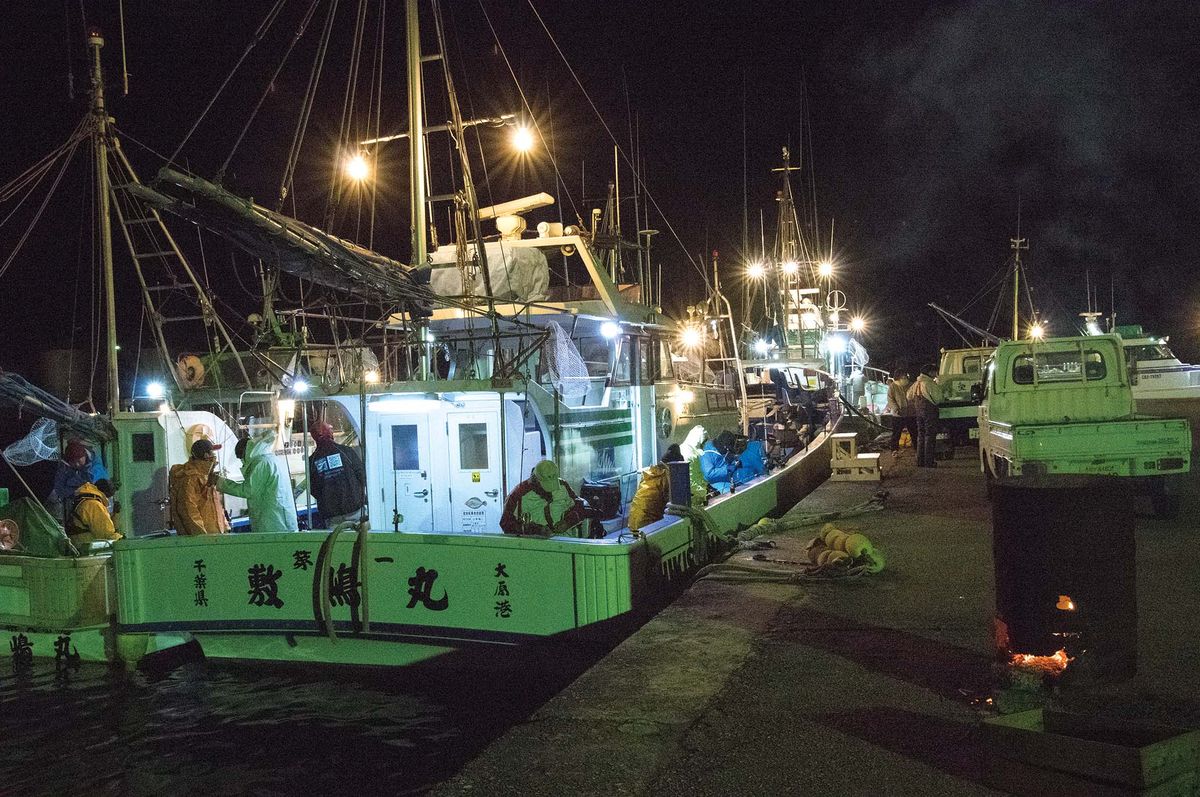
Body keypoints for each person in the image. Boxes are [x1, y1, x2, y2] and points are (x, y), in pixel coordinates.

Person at [216, 434, 299, 532]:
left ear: (245, 452)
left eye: (241, 458)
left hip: (274, 522)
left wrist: (219, 482)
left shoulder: (260, 463)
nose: (242, 462)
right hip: (279, 517)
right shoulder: (271, 458)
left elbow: (247, 490)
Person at [500, 460, 586, 537]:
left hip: (564, 542)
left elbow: (581, 507)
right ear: (535, 480)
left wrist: (568, 522)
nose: (550, 491)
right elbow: (506, 523)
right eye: (546, 485)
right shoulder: (518, 494)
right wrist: (535, 530)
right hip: (535, 547)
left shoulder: (563, 485)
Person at [307, 422, 366, 527]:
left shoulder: (312, 461)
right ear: (328, 433)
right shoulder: (346, 452)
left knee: (336, 542)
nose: (332, 431)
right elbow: (362, 476)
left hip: (332, 516)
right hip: (355, 511)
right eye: (330, 429)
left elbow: (313, 489)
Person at [169, 438, 230, 535]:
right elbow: (189, 510)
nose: (214, 456)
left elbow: (216, 506)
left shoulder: (206, 476)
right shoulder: (190, 479)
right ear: (206, 455)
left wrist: (225, 526)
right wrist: (201, 536)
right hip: (204, 539)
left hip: (216, 536)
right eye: (212, 453)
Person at [48, 440, 109, 522]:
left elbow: (89, 485)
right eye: (73, 462)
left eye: (79, 460)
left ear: (84, 455)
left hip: (93, 503)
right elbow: (59, 488)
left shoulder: (95, 470)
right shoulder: (64, 467)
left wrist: (71, 485)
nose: (77, 464)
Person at [628, 444, 683, 533]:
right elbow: (674, 503)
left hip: (633, 525)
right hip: (648, 527)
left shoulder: (650, 474)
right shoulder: (666, 476)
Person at [65, 479, 123, 546]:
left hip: (80, 543)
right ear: (106, 493)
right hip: (85, 546)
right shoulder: (94, 505)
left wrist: (115, 514)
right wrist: (121, 539)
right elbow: (106, 534)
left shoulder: (88, 500)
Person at [909, 363, 944, 468]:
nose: (936, 374)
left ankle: (920, 461)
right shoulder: (929, 384)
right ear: (930, 372)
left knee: (920, 435)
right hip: (930, 413)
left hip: (918, 413)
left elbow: (908, 396)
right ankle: (929, 462)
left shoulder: (916, 384)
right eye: (934, 372)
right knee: (930, 436)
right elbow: (938, 399)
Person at [885, 371, 916, 458]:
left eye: (906, 377)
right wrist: (896, 409)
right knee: (896, 433)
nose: (905, 379)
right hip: (898, 414)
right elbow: (890, 400)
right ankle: (894, 450)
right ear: (898, 378)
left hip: (911, 413)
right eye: (903, 377)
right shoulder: (893, 387)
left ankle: (918, 449)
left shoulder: (912, 385)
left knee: (914, 432)